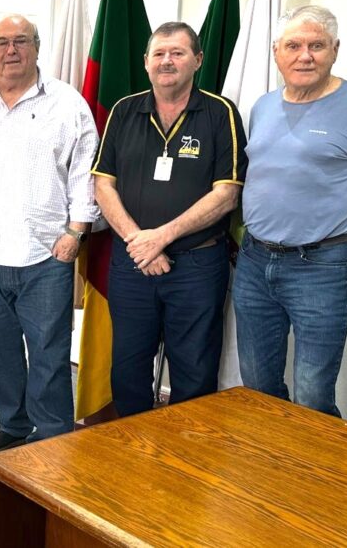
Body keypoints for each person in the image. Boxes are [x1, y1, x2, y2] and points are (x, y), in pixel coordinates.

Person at [233, 5, 347, 417]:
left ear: (335, 50)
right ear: (277, 52)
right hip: (255, 262)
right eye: (293, 45)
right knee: (257, 386)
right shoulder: (263, 106)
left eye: (317, 45)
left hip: (321, 268)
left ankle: (314, 478)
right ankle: (271, 470)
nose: (304, 55)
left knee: (312, 395)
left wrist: (340, 242)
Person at [0, 14, 99, 456]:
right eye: (2, 42)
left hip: (46, 253)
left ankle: (52, 436)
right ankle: (12, 425)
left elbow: (83, 172)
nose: (11, 50)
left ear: (37, 46)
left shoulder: (67, 104)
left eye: (21, 41)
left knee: (49, 355)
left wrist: (77, 230)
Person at [92, 21, 247, 417]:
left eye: (177, 53)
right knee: (127, 367)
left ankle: (185, 464)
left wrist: (159, 237)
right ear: (145, 62)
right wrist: (138, 242)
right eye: (159, 53)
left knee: (194, 371)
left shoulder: (220, 112)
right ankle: (130, 453)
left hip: (196, 265)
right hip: (133, 262)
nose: (167, 61)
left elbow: (227, 193)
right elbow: (102, 184)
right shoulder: (124, 111)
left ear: (197, 59)